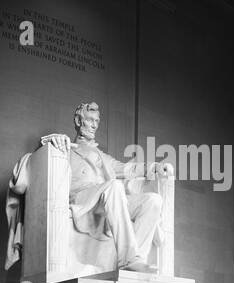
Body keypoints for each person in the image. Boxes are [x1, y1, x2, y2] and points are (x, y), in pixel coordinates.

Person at [40, 101, 171, 272]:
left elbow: (127, 168)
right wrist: (54, 139)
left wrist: (154, 167)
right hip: (83, 198)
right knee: (114, 186)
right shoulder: (65, 148)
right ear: (79, 121)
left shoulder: (103, 157)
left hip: (106, 198)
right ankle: (128, 260)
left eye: (97, 121)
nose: (94, 125)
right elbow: (43, 150)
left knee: (153, 200)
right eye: (90, 120)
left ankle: (133, 261)